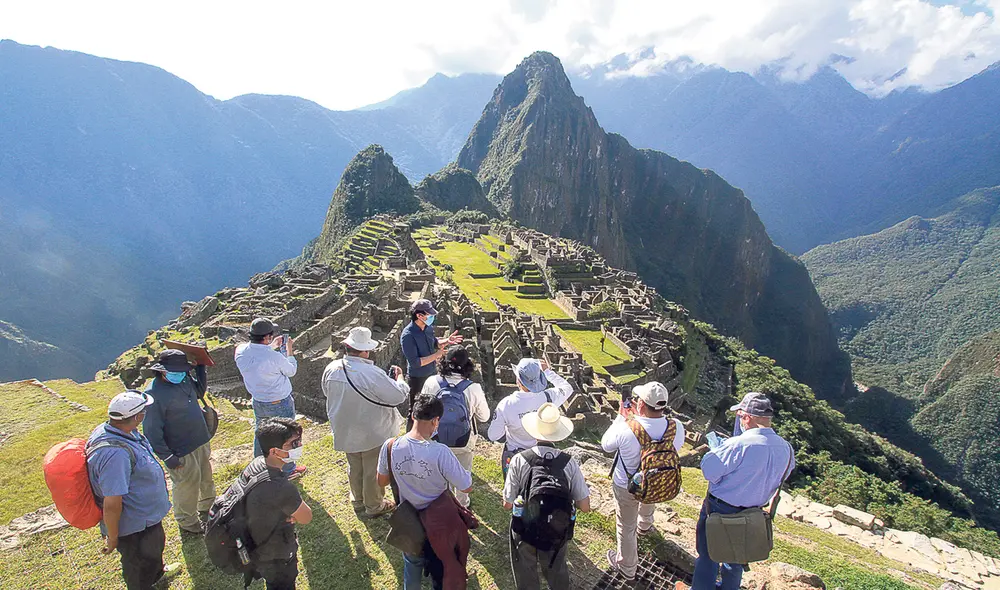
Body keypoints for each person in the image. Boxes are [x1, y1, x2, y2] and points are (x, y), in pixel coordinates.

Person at [691, 392, 795, 590]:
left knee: (708, 555)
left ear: (746, 417)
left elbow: (709, 471)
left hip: (720, 509)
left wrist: (717, 451)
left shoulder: (738, 445)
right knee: (737, 558)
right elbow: (782, 475)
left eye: (740, 416)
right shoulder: (787, 449)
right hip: (753, 513)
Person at [377, 394, 473, 590]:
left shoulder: (390, 446)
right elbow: (466, 486)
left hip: (409, 520)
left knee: (412, 565)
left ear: (413, 415)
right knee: (441, 568)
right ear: (436, 421)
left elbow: (382, 481)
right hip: (439, 523)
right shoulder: (440, 452)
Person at [87, 390, 180, 589]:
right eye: (143, 412)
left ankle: (158, 576)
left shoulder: (121, 431)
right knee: (138, 566)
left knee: (154, 550)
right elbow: (112, 503)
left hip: (145, 518)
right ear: (137, 416)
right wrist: (113, 537)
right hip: (133, 526)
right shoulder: (115, 455)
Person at [601, 381, 685, 580]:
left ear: (640, 405)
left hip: (627, 486)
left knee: (625, 526)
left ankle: (627, 567)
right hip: (658, 480)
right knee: (651, 486)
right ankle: (645, 524)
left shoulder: (627, 428)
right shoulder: (676, 427)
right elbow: (674, 450)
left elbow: (606, 445)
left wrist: (621, 417)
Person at [322, 326, 409, 517]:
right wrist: (401, 380)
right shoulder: (372, 373)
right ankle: (374, 505)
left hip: (345, 426)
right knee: (372, 469)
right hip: (372, 429)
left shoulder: (332, 369)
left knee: (354, 465)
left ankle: (358, 500)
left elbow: (327, 393)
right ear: (365, 350)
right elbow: (397, 397)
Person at [504, 403, 591, 590]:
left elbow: (507, 504)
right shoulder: (569, 463)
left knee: (526, 571)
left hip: (525, 529)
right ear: (558, 434)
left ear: (535, 432)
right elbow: (585, 506)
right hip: (557, 530)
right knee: (557, 570)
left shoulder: (520, 459)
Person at [142, 349, 216, 535]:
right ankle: (187, 522)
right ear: (162, 370)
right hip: (181, 449)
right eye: (177, 371)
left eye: (183, 370)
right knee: (186, 485)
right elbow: (151, 430)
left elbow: (199, 392)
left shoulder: (183, 379)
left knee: (205, 477)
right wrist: (167, 456)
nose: (180, 374)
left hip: (199, 439)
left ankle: (208, 506)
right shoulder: (153, 395)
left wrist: (200, 368)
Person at [244, 417, 313, 590]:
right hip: (276, 554)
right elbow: (306, 517)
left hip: (255, 544)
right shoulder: (281, 487)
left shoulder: (256, 465)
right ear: (275, 451)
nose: (299, 446)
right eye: (293, 443)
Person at [234, 317, 306, 479]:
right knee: (287, 436)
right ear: (266, 337)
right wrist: (289, 350)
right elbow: (291, 370)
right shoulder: (274, 357)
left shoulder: (240, 351)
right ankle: (288, 470)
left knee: (261, 434)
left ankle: (259, 467)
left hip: (258, 401)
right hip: (279, 402)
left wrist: (271, 347)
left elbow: (258, 358)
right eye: (271, 335)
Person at [420, 345, 490, 508]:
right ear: (467, 366)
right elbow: (484, 416)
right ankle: (461, 504)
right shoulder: (473, 388)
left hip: (435, 437)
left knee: (438, 471)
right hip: (463, 440)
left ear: (443, 362)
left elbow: (423, 409)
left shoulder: (431, 382)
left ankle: (440, 502)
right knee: (462, 472)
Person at [487, 358, 574, 476]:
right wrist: (548, 372)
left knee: (512, 490)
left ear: (518, 380)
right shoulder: (549, 398)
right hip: (540, 457)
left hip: (515, 455)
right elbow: (567, 388)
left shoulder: (506, 404)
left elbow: (493, 435)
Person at [400, 299, 463, 428]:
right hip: (418, 378)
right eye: (429, 315)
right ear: (419, 315)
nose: (432, 317)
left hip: (432, 374)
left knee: (433, 407)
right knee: (416, 410)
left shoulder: (427, 328)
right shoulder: (408, 335)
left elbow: (434, 343)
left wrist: (446, 340)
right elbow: (415, 363)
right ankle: (410, 438)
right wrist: (436, 356)